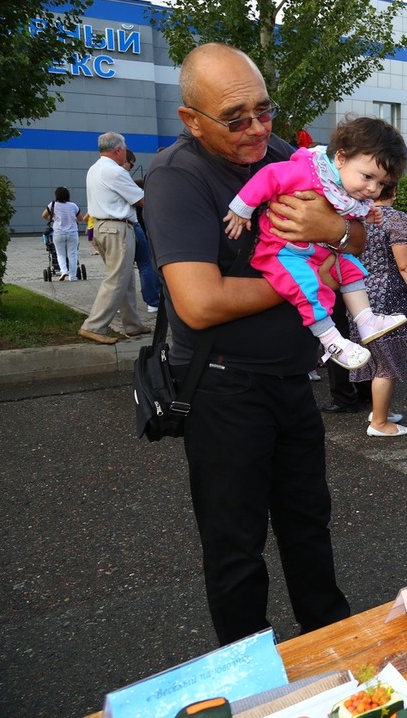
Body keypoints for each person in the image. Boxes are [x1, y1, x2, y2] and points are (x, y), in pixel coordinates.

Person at [143, 42, 352, 645]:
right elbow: (200, 300)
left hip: (292, 378)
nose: (257, 128)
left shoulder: (284, 154)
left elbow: (358, 232)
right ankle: (251, 677)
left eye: (264, 110)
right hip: (222, 388)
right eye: (236, 119)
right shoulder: (176, 178)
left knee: (309, 524)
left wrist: (333, 229)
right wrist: (307, 280)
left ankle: (335, 648)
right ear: (192, 120)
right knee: (236, 545)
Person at [223, 117, 407, 370]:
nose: (372, 189)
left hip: (314, 252)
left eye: (381, 184)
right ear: (341, 158)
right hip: (282, 252)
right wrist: (241, 208)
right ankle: (331, 340)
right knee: (308, 289)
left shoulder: (347, 184)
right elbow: (269, 176)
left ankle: (365, 320)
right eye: (368, 177)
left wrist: (367, 213)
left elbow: (347, 213)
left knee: (351, 268)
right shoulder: (309, 171)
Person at [351, 181, 407, 437]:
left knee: (377, 359)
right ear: (394, 192)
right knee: (387, 363)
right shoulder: (396, 220)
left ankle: (380, 411)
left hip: (359, 296)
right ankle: (379, 423)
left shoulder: (356, 218)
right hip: (389, 300)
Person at [78, 131, 149, 345]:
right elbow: (141, 199)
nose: (126, 153)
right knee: (117, 279)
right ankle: (94, 326)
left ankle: (132, 325)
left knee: (124, 278)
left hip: (101, 227)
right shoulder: (116, 172)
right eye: (125, 149)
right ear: (118, 150)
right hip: (117, 228)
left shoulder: (94, 169)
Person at [124, 149, 161, 313]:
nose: (131, 167)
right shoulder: (122, 178)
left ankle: (121, 303)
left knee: (122, 269)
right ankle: (152, 301)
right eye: (131, 164)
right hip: (138, 229)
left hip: (124, 228)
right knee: (146, 265)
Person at [41, 186, 84, 281]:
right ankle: (72, 277)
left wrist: (53, 220)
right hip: (72, 233)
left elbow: (44, 215)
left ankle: (63, 271)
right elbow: (81, 218)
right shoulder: (73, 205)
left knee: (60, 254)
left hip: (58, 233)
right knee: (72, 254)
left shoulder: (52, 205)